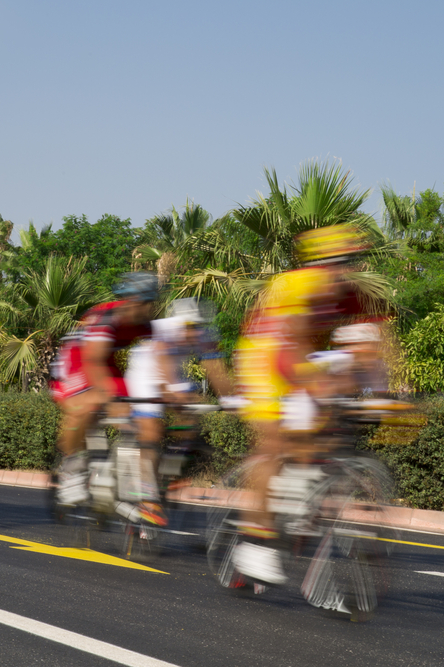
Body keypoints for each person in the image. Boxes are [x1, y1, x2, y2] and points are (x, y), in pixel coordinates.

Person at [232, 224, 368, 584]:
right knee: (274, 443)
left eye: (349, 263)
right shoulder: (298, 286)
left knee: (323, 432)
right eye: (335, 264)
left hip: (302, 353)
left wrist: (382, 395)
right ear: (318, 264)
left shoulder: (350, 292)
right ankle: (254, 542)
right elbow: (286, 352)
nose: (342, 272)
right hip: (263, 355)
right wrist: (318, 386)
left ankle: (297, 495)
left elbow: (376, 341)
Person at [123, 297, 232, 524]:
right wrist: (173, 392)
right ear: (179, 323)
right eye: (188, 327)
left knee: (190, 422)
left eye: (197, 328)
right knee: (151, 430)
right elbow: (162, 366)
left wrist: (233, 400)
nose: (193, 333)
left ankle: (168, 471)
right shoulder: (165, 331)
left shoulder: (203, 335)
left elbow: (215, 370)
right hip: (145, 372)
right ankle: (146, 495)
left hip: (171, 372)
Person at [53, 272, 157, 507]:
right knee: (86, 405)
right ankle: (71, 466)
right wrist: (110, 400)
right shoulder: (106, 317)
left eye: (152, 304)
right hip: (79, 359)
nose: (150, 309)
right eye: (146, 304)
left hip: (108, 362)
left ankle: (128, 482)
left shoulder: (145, 325)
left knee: (138, 417)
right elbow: (92, 363)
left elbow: (159, 361)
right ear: (131, 301)